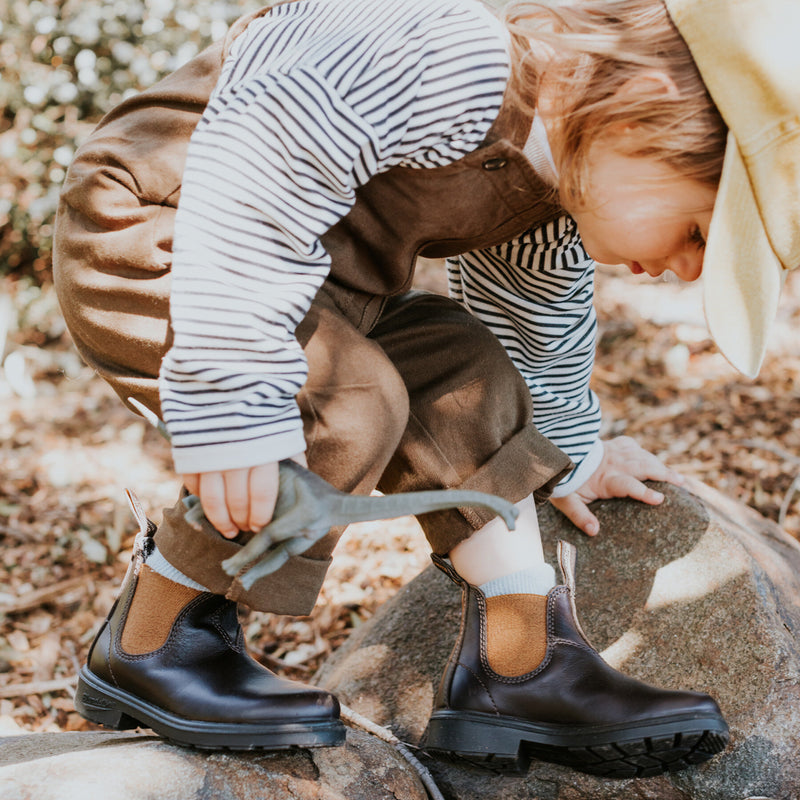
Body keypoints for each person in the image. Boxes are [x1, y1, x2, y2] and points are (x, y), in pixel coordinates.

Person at [52, 0, 796, 778]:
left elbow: (532, 324)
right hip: (166, 240)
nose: (686, 270)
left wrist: (571, 455)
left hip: (324, 295)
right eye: (699, 235)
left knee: (462, 371)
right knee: (350, 401)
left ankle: (518, 663)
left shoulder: (556, 188)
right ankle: (156, 635)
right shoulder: (451, 55)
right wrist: (234, 382)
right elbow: (257, 152)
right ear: (642, 108)